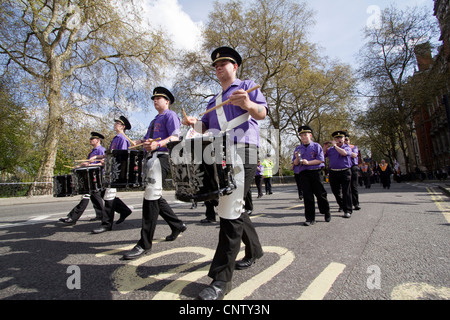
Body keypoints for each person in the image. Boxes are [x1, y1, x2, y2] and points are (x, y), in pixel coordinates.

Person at [182, 46, 267, 300]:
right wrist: (192, 124)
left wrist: (249, 103)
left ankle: (221, 280)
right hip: (220, 152)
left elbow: (261, 113)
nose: (219, 67)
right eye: (216, 66)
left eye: (224, 63)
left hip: (245, 150)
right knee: (234, 206)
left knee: (228, 210)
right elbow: (204, 126)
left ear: (235, 67)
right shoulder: (213, 100)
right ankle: (255, 251)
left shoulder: (247, 86)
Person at [122, 87, 187, 260]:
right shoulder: (153, 121)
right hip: (152, 157)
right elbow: (147, 140)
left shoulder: (170, 115)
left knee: (150, 196)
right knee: (155, 196)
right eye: (154, 98)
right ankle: (177, 225)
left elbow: (175, 137)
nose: (155, 100)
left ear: (167, 101)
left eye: (159, 98)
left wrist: (158, 145)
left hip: (163, 157)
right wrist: (138, 142)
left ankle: (144, 244)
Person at [91, 116, 133, 234]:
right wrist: (98, 157)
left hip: (115, 170)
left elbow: (123, 156)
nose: (115, 125)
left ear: (123, 127)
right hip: (110, 168)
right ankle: (124, 210)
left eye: (118, 123)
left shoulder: (122, 139)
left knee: (108, 195)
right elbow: (110, 154)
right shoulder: (115, 138)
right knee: (106, 193)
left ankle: (106, 224)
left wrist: (111, 162)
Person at [59, 132, 106, 225]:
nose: (90, 140)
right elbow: (89, 164)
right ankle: (102, 215)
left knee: (87, 196)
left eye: (92, 139)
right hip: (90, 176)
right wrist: (80, 166)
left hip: (96, 177)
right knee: (95, 196)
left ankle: (72, 218)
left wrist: (88, 164)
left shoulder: (101, 150)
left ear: (98, 140)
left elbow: (103, 163)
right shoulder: (92, 152)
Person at [293, 126, 330, 226]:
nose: (303, 137)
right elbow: (295, 163)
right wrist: (297, 158)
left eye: (305, 135)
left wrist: (308, 162)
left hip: (315, 172)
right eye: (301, 136)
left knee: (320, 194)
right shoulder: (298, 148)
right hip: (304, 174)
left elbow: (320, 160)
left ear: (310, 135)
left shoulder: (316, 146)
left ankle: (326, 211)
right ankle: (310, 218)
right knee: (307, 196)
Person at [324, 131, 353, 218]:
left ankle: (347, 210)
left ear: (344, 139)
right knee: (335, 191)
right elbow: (322, 155)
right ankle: (341, 204)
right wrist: (325, 147)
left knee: (346, 191)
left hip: (345, 171)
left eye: (341, 138)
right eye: (337, 138)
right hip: (333, 172)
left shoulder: (347, 147)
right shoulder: (331, 149)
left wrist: (335, 146)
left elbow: (343, 153)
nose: (339, 139)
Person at [345, 135, 361, 211]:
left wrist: (346, 152)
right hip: (344, 168)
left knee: (353, 186)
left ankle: (356, 203)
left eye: (346, 139)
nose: (345, 141)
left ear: (349, 140)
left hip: (353, 167)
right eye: (344, 139)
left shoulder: (353, 147)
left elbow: (354, 155)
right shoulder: (339, 148)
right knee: (345, 187)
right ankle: (345, 204)